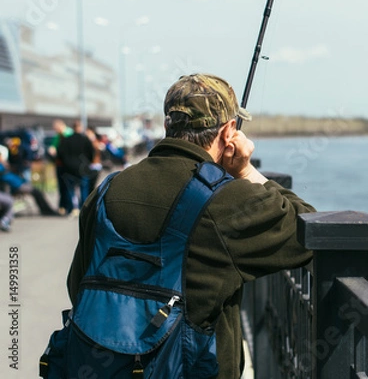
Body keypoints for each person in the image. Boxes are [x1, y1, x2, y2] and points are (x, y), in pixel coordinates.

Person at [66, 73, 315, 378]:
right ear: (229, 132)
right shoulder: (228, 200)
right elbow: (309, 229)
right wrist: (245, 170)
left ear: (167, 126)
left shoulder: (107, 190)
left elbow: (76, 283)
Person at [0, 145, 59, 217]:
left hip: (18, 184)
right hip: (15, 187)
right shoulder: (1, 167)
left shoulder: (3, 165)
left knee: (37, 191)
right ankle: (46, 210)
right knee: (36, 192)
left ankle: (46, 209)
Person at [56, 120, 94, 215]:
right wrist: (88, 163)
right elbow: (91, 153)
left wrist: (65, 162)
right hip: (82, 168)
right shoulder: (85, 139)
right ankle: (84, 209)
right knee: (84, 189)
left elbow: (59, 153)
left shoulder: (66, 140)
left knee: (70, 190)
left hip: (68, 168)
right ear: (80, 128)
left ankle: (72, 208)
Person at [48, 119, 73, 215]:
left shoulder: (68, 134)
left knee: (67, 187)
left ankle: (69, 207)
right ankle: (62, 207)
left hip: (66, 165)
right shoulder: (58, 136)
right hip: (59, 164)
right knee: (61, 187)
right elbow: (53, 146)